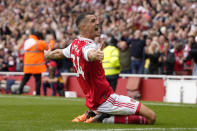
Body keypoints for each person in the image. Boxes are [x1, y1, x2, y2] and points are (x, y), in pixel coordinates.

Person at [44, 13, 156, 124]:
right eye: (93, 21)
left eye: (97, 20)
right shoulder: (89, 46)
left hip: (93, 101)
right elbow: (88, 53)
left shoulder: (74, 44)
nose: (97, 22)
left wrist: (48, 55)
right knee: (151, 117)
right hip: (106, 99)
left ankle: (93, 113)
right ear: (83, 27)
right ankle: (104, 119)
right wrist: (95, 55)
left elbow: (60, 53)